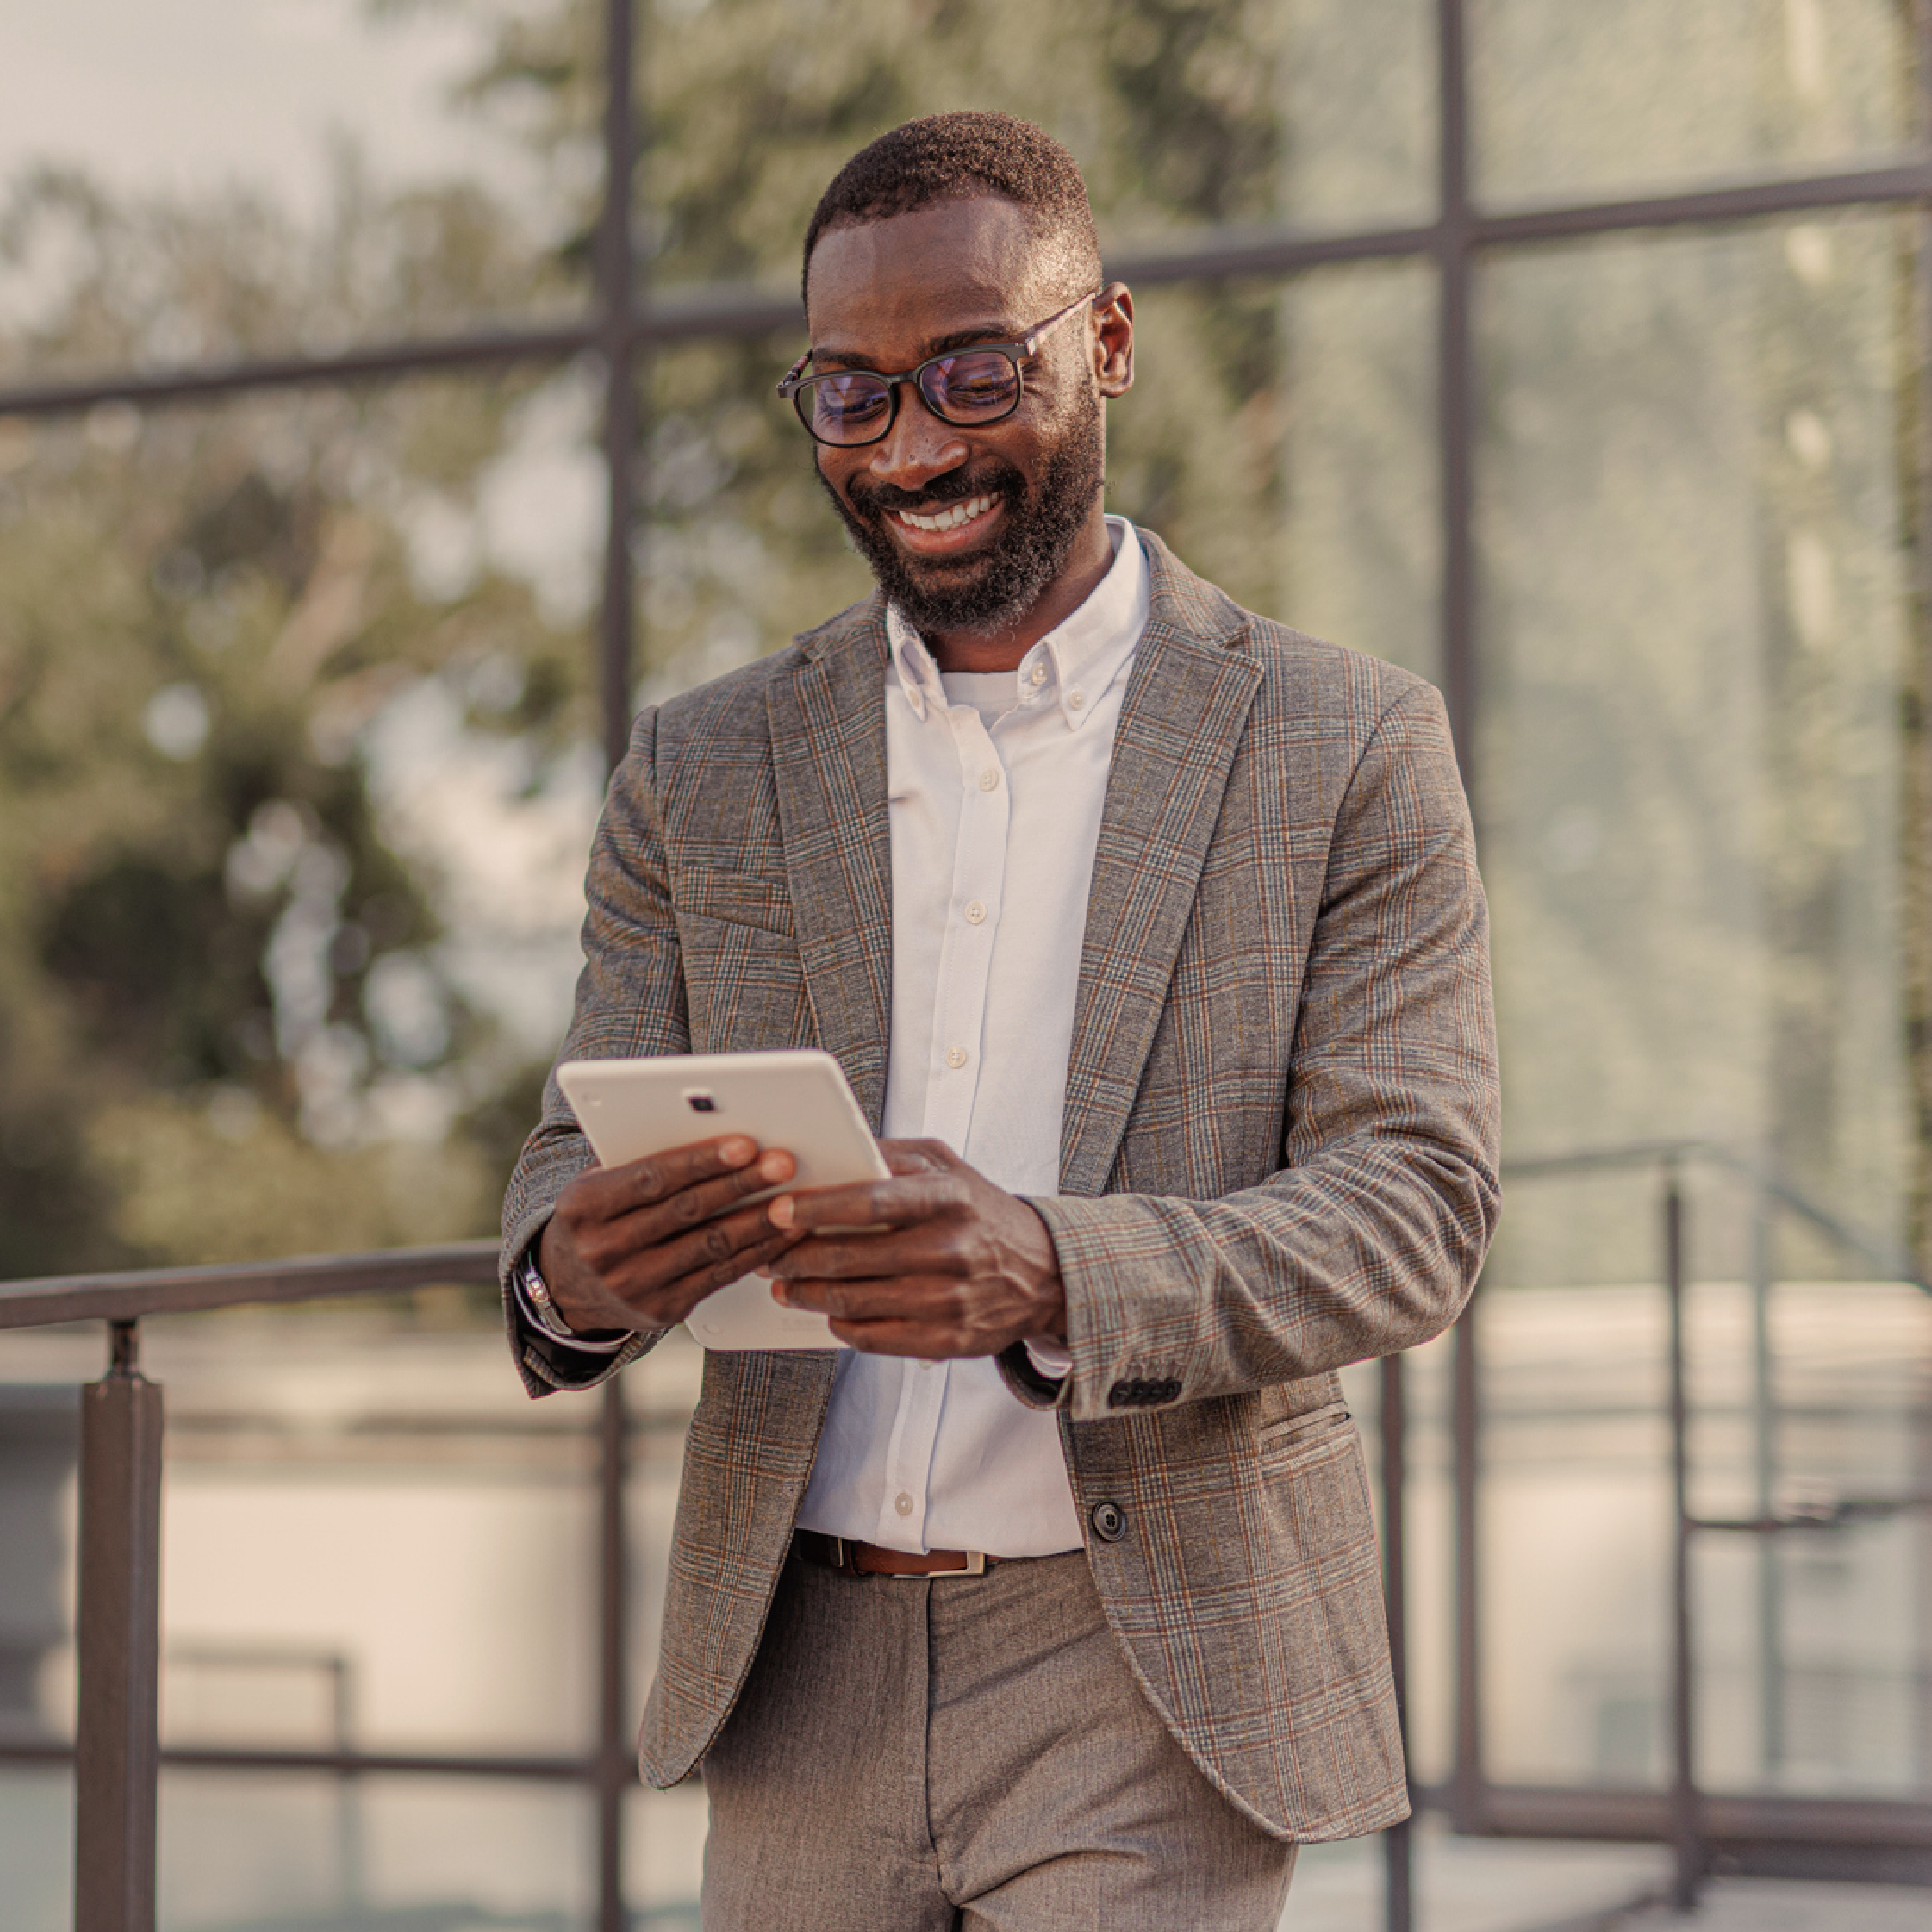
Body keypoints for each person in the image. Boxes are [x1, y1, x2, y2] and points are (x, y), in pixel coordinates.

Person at [502, 109, 1499, 1931]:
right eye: (853, 396)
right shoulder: (701, 767)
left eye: (974, 371)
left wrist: (1055, 1271)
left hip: (1145, 1668)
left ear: (1103, 343)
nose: (916, 445)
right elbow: (568, 1162)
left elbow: (1417, 1206)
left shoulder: (1342, 743)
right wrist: (576, 1268)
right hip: (794, 1667)